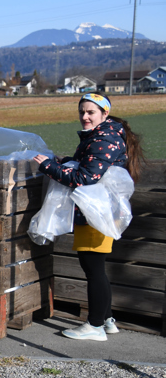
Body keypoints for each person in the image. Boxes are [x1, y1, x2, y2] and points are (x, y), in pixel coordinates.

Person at [34, 93, 144, 341]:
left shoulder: (103, 138)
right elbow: (91, 166)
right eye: (82, 112)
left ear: (105, 113)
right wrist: (68, 161)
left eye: (91, 112)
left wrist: (49, 167)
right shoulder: (103, 135)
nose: (85, 116)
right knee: (97, 268)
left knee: (93, 269)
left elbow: (85, 178)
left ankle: (94, 326)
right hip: (100, 211)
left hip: (97, 213)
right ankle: (106, 321)